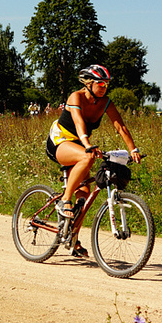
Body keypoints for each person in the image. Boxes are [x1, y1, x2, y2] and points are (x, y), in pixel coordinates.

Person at [46, 64, 141, 257]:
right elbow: (80, 123)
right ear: (89, 83)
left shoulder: (106, 102)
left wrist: (133, 149)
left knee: (84, 197)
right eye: (100, 83)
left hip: (81, 145)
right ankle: (65, 199)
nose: (104, 87)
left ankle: (72, 238)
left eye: (106, 84)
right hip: (61, 140)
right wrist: (87, 144)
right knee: (87, 157)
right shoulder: (76, 97)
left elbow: (120, 127)